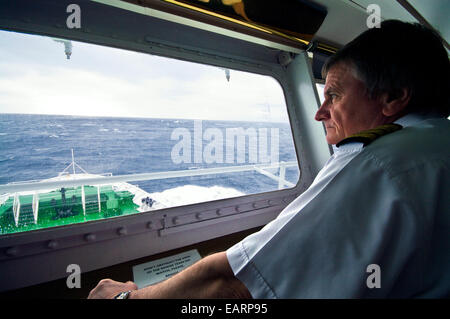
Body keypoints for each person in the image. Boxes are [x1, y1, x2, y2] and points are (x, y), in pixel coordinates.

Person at [88, 20, 450, 299]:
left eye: (334, 96)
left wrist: (126, 296)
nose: (319, 113)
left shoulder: (374, 159)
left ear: (392, 97)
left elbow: (235, 285)